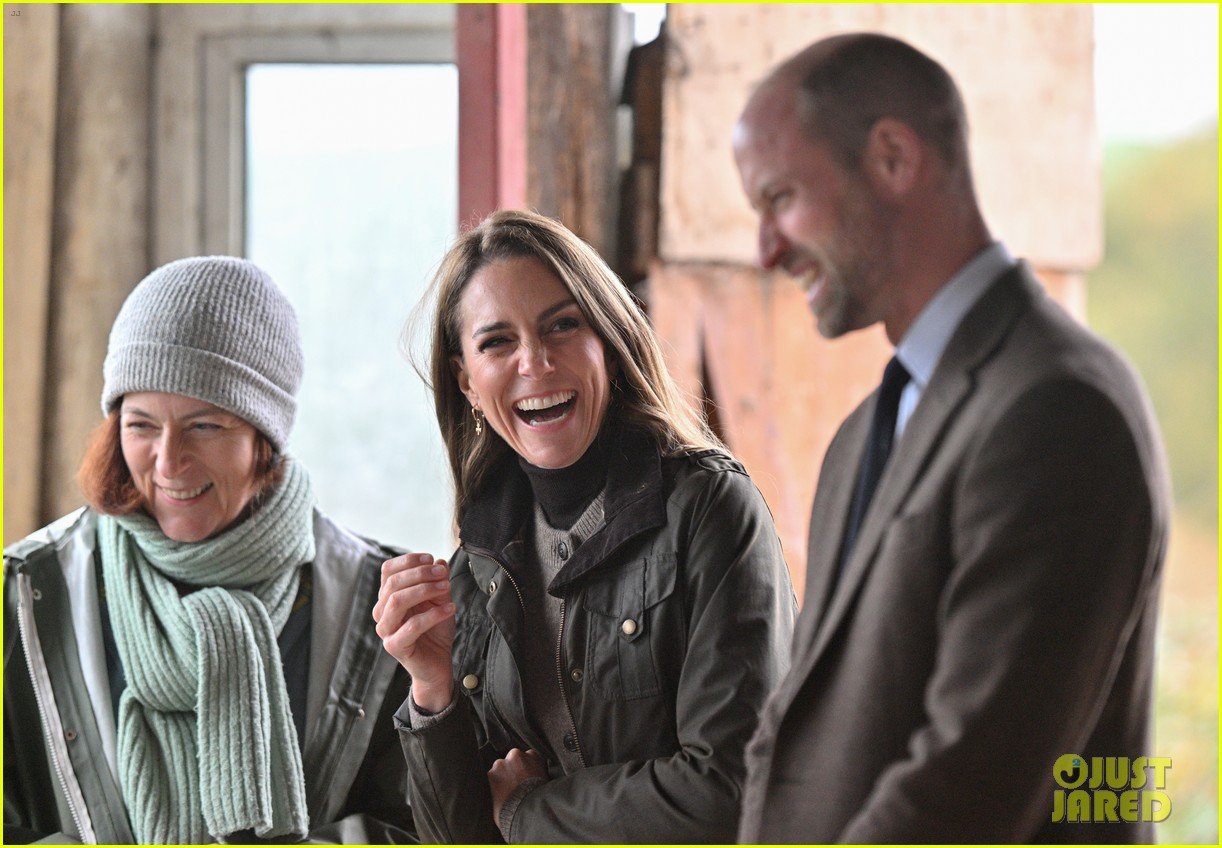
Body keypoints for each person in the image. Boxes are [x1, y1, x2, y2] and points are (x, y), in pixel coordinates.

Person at [732, 33, 1170, 843]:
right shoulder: (862, 432)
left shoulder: (1058, 409)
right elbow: (799, 727)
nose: (766, 252)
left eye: (780, 198)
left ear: (895, 158)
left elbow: (965, 787)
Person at [374, 209, 796, 843]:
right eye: (496, 342)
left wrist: (527, 810)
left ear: (609, 341)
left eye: (563, 326)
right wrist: (432, 690)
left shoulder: (710, 509)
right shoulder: (477, 563)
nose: (535, 362)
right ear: (466, 382)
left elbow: (733, 793)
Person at [4, 257, 415, 844]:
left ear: (263, 439)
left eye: (205, 426)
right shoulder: (28, 591)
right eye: (141, 425)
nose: (168, 463)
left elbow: (426, 822)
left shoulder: (377, 602)